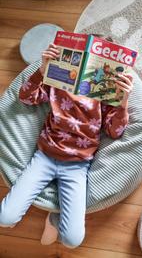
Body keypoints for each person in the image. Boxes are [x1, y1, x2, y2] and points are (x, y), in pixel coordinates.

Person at [0, 40, 133, 248]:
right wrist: (42, 70)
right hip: (44, 157)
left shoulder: (105, 96)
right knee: (5, 219)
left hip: (77, 165)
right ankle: (55, 213)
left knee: (72, 241)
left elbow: (115, 132)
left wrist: (123, 101)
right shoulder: (57, 81)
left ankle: (54, 218)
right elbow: (26, 97)